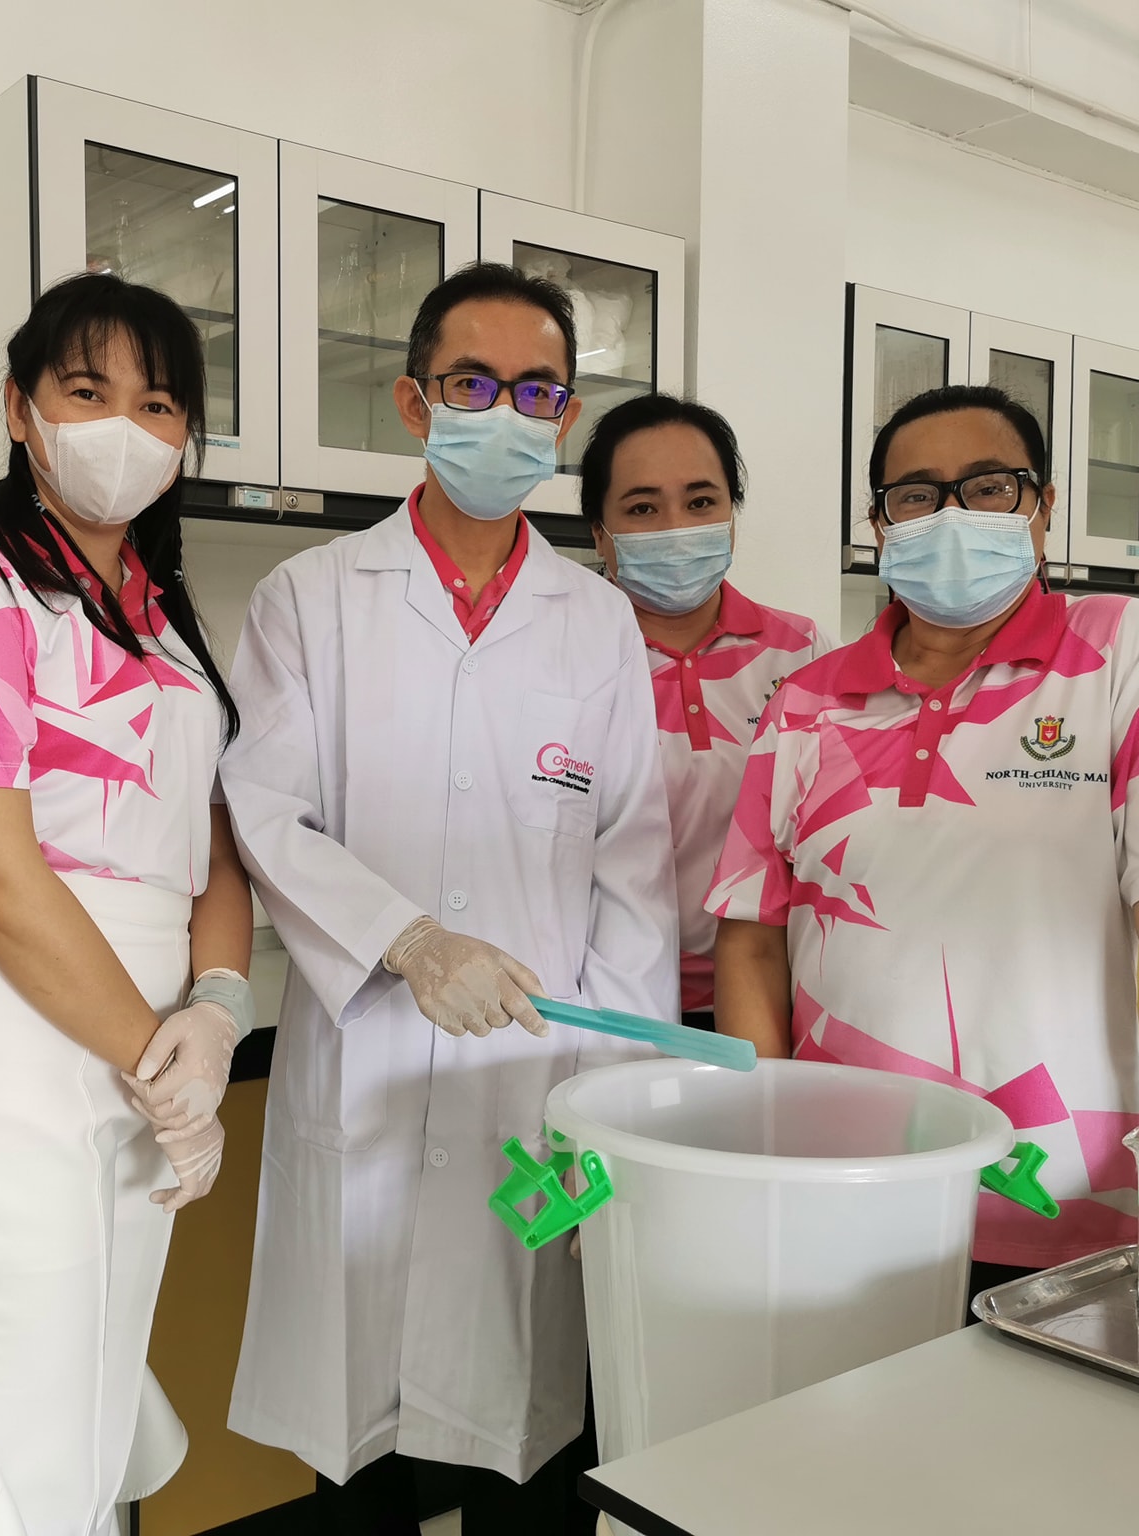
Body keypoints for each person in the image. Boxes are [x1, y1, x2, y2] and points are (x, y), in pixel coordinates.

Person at [706, 383, 1139, 1297]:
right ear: (879, 525)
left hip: (1056, 1182)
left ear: (1043, 507)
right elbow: (754, 934)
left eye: (989, 486)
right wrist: (764, 1140)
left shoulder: (1122, 652)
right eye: (917, 495)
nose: (953, 515)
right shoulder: (807, 700)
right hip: (847, 1175)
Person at [222, 262, 677, 1533]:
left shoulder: (596, 622)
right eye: (472, 383)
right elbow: (263, 810)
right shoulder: (311, 598)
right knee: (358, 1458)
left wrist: (611, 1107)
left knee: (524, 1447)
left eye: (536, 390)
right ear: (414, 403)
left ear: (563, 417)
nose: (505, 412)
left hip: (539, 1084)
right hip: (363, 1056)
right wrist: (408, 941)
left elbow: (632, 873)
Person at [0, 271, 251, 1536]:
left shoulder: (159, 611)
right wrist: (157, 1057)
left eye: (158, 405)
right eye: (86, 391)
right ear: (18, 408)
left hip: (146, 1033)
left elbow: (209, 837)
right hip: (3, 1015)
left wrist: (217, 1007)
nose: (122, 427)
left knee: (92, 1405)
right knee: (21, 1434)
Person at [580, 393, 827, 1028]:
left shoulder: (802, 655)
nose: (676, 528)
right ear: (600, 533)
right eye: (642, 508)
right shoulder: (566, 660)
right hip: (609, 1000)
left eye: (700, 502)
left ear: (731, 515)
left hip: (773, 995)